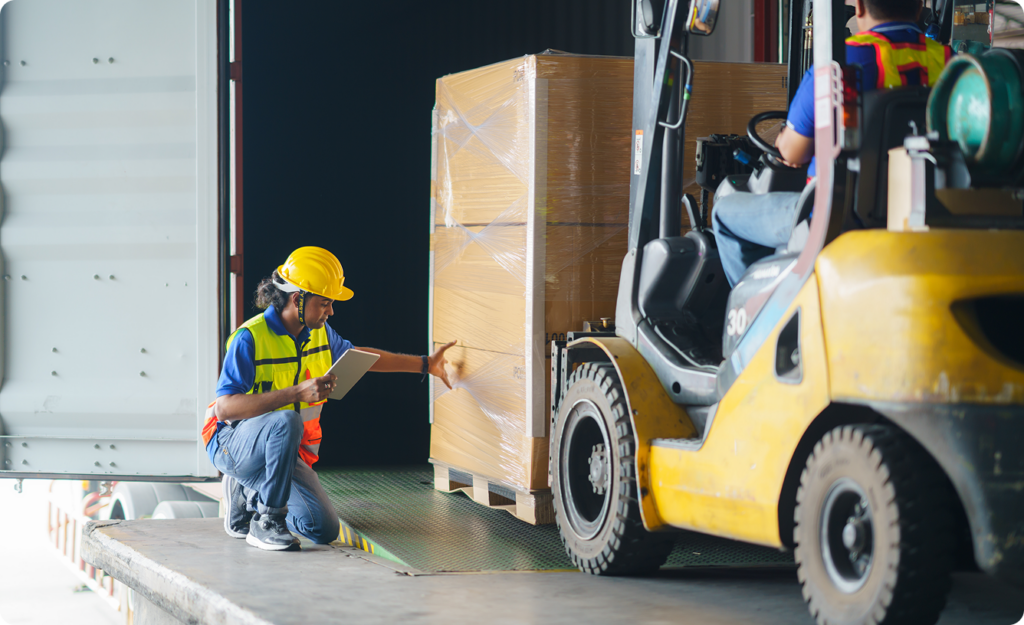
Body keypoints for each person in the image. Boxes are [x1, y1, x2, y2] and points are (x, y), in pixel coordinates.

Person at [201, 246, 456, 551]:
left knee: (321, 529)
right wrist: (296, 393)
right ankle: (266, 521)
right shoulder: (250, 338)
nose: (330, 311)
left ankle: (251, 494)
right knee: (286, 418)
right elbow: (226, 407)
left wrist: (425, 364)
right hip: (230, 446)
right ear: (298, 300)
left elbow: (362, 358)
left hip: (283, 453)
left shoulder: (319, 333)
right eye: (324, 303)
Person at [711, 0, 951, 286]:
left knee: (724, 213)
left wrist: (784, 138)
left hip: (836, 217)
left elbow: (791, 152)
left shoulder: (841, 65)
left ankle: (755, 321)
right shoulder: (951, 64)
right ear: (920, 6)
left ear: (859, 7)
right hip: (929, 214)